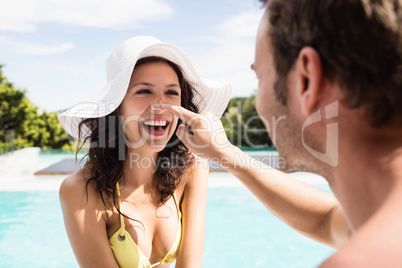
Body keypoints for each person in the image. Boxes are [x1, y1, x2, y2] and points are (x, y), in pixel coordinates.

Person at [166, 0, 402, 267]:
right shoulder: (377, 216)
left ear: (306, 81)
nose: (258, 101)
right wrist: (225, 153)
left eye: (260, 78)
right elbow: (324, 221)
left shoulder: (360, 261)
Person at [58, 36, 231, 268]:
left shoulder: (192, 168)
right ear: (117, 107)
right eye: (144, 92)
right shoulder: (81, 190)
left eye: (171, 93)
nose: (161, 105)